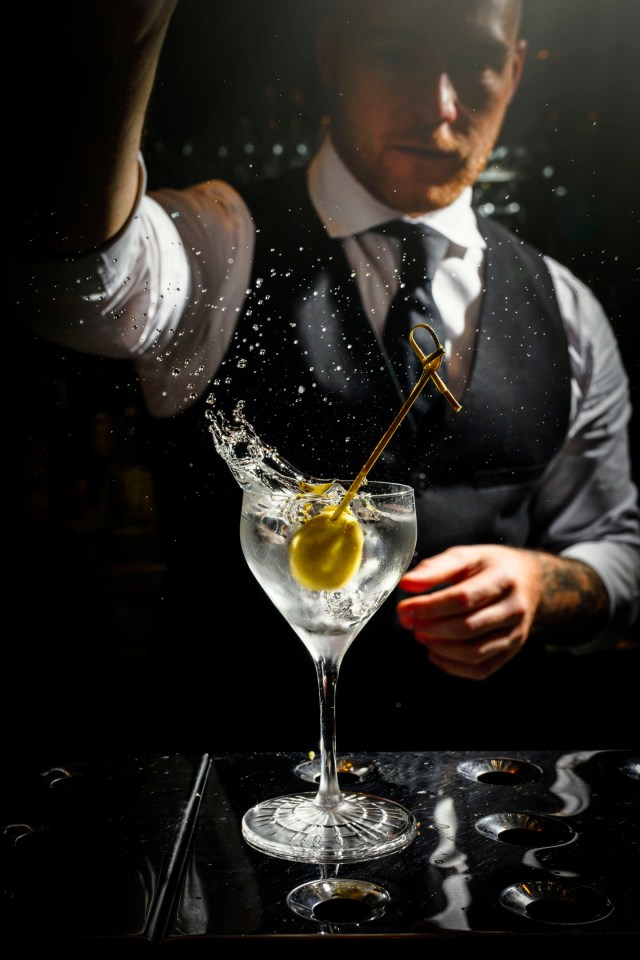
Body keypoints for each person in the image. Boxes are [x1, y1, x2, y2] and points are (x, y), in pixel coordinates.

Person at [8, 0, 640, 755]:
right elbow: (71, 286)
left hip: (477, 798)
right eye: (399, 53)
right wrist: (131, 31)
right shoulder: (220, 242)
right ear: (333, 54)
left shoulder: (566, 306)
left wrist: (542, 585)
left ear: (513, 70)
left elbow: (617, 552)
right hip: (240, 799)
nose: (440, 107)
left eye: (473, 61)